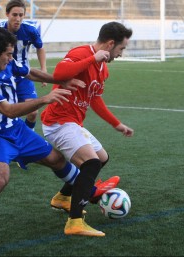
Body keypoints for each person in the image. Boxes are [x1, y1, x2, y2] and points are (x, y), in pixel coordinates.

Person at [0, 26, 117, 249]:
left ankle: (88, 193)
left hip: (17, 130)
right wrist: (46, 99)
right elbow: (8, 110)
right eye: (7, 54)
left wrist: (59, 80)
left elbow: (30, 72)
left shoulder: (5, 63)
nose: (11, 57)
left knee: (57, 160)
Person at [41, 21, 134, 236]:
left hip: (72, 123)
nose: (121, 54)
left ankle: (63, 197)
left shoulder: (103, 69)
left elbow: (95, 100)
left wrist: (116, 124)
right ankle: (74, 222)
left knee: (101, 158)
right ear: (110, 44)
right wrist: (92, 58)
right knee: (91, 163)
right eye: (121, 48)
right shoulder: (81, 52)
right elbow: (60, 73)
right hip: (58, 121)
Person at [0, 0, 46, 131]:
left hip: (23, 75)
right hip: (3, 77)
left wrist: (43, 69)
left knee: (33, 113)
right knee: (9, 114)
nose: (18, 18)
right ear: (7, 14)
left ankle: (26, 136)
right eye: (14, 15)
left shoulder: (30, 31)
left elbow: (40, 47)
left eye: (21, 15)